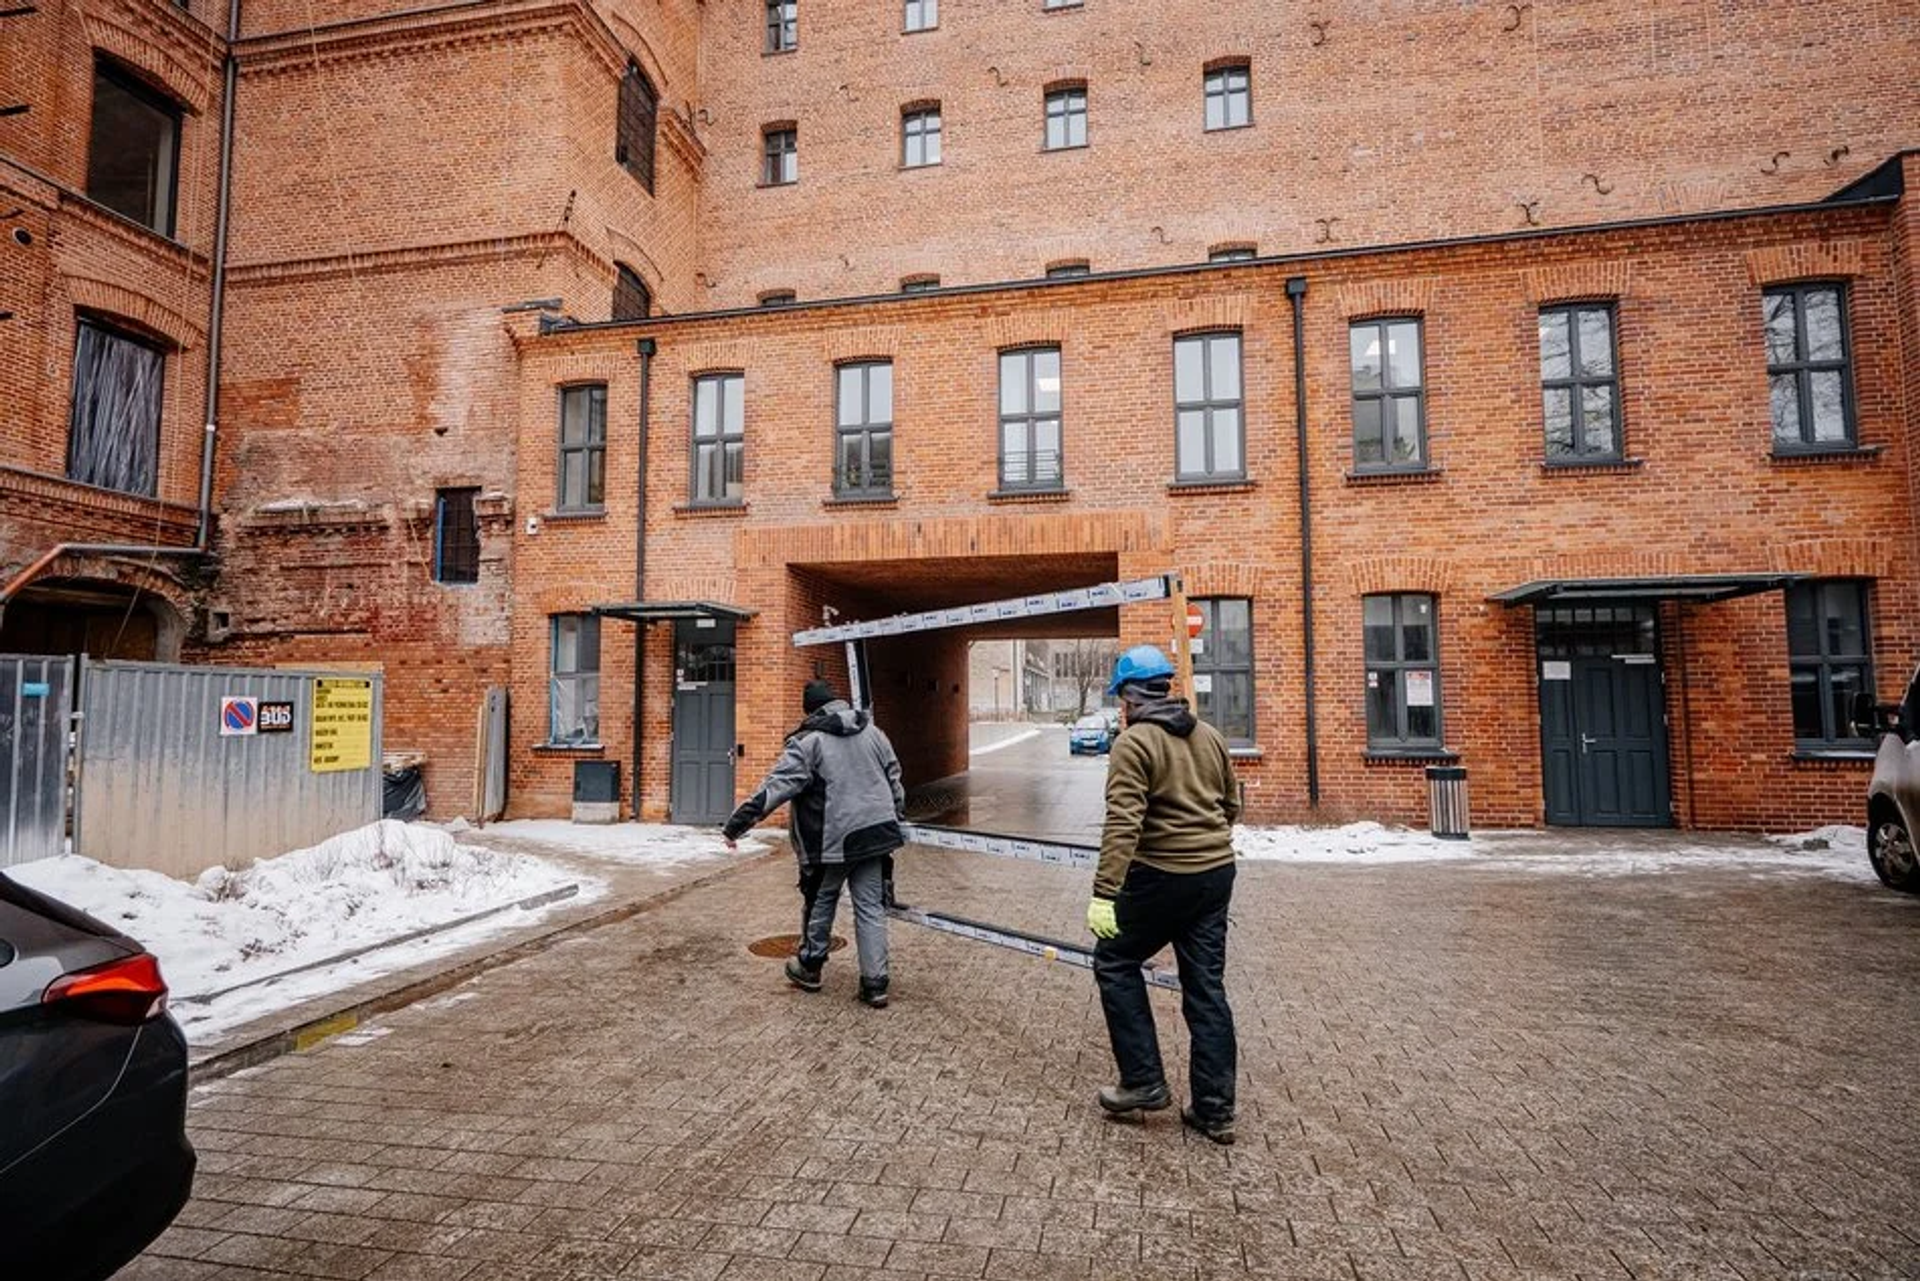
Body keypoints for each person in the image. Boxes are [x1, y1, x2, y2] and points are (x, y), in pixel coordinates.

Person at [1085, 643, 1241, 1144]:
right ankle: (1215, 1110)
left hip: (1161, 876)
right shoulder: (1210, 735)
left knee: (1114, 960)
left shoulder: (1134, 744)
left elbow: (1123, 822)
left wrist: (1105, 892)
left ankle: (1144, 1081)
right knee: (1206, 988)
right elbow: (1231, 805)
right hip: (1216, 874)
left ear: (1129, 697)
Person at [723, 679, 906, 1007]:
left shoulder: (809, 743)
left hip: (834, 840)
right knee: (870, 908)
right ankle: (875, 984)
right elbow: (894, 777)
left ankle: (809, 966)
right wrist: (895, 813)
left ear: (810, 711)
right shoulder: (873, 732)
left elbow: (775, 788)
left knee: (822, 900)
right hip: (877, 834)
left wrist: (736, 826)